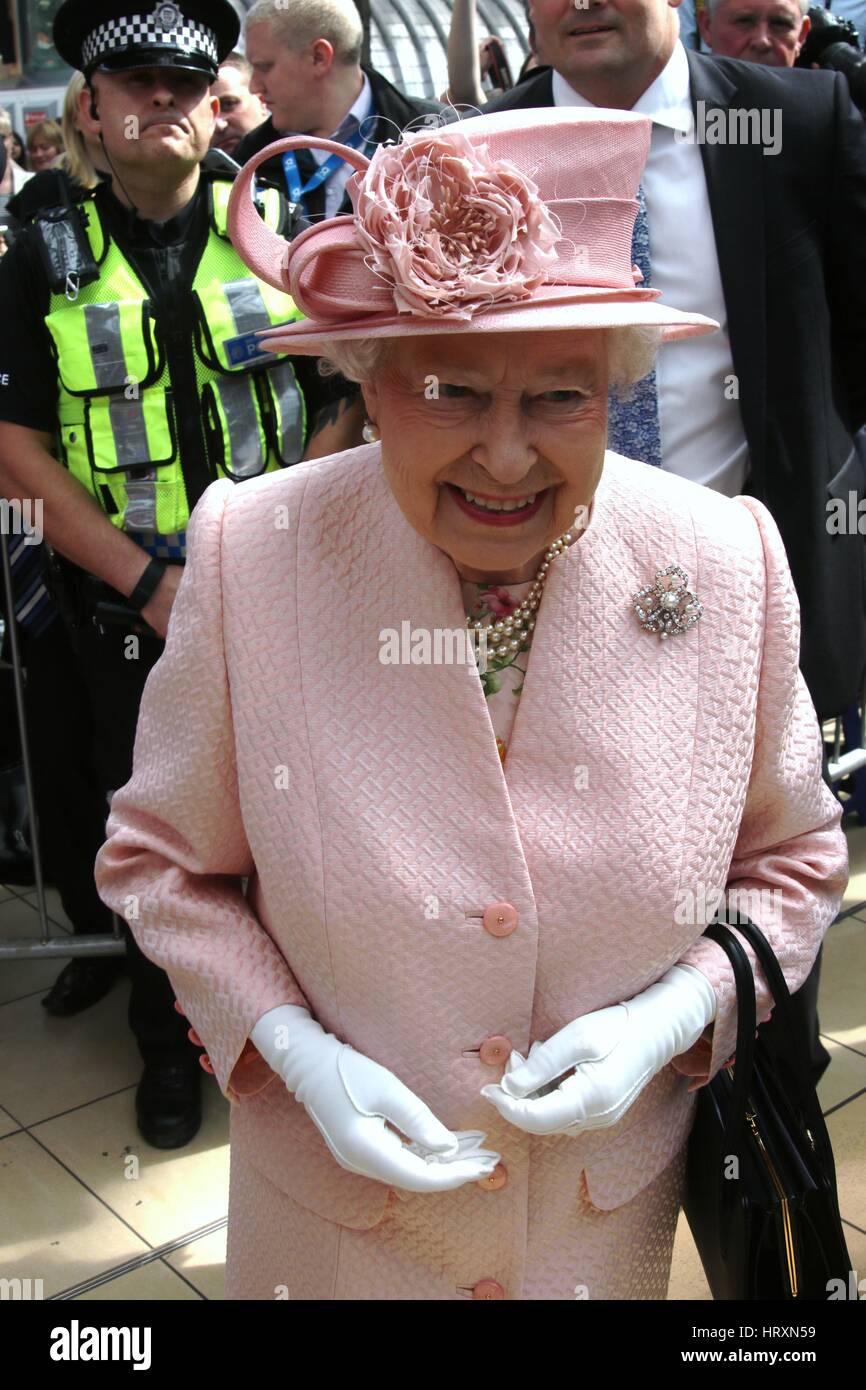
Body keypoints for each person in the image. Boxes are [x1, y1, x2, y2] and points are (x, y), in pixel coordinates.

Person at [94, 109, 847, 1300]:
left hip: (593, 1234)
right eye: (451, 389)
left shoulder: (721, 557)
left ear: (616, 391)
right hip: (336, 1239)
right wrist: (293, 1052)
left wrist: (675, 1011)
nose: (505, 458)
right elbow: (159, 866)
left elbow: (796, 856)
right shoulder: (257, 550)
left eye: (560, 397)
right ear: (372, 384)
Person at [0, 0, 361, 1151]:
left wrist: (260, 545)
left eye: (182, 81)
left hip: (288, 594)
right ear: (92, 114)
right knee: (160, 842)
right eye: (130, 83)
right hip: (127, 616)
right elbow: (16, 450)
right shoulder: (41, 256)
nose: (158, 100)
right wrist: (151, 587)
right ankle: (172, 1046)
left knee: (307, 821)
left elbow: (348, 393)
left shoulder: (283, 227)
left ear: (214, 103)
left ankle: (314, 1030)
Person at [473, 0, 866, 731]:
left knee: (762, 838)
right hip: (549, 608)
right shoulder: (478, 149)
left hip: (758, 589)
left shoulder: (797, 122)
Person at [233, 0, 443, 221]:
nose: (254, 86)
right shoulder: (247, 163)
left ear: (319, 57)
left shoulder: (436, 137)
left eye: (264, 67)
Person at [698, 0, 811, 63]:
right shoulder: (686, 103)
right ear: (707, 27)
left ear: (801, 34)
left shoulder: (821, 103)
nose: (762, 41)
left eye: (779, 23)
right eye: (744, 21)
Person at [211, 51, 268, 157]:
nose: (219, 125)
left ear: (262, 101)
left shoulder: (302, 156)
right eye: (207, 115)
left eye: (228, 104)